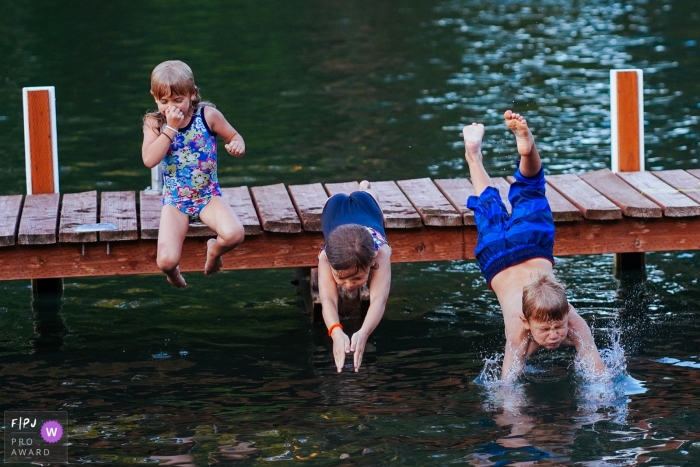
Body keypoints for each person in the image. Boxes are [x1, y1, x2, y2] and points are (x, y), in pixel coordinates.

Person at [463, 110, 606, 381]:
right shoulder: (536, 329)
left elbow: (509, 382)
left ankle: (476, 154)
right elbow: (596, 369)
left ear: (566, 312)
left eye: (558, 327)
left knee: (528, 189)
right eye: (545, 330)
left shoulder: (550, 322)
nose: (553, 335)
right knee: (492, 203)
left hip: (526, 244)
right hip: (498, 255)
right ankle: (517, 151)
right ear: (525, 322)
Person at [142, 60, 246, 288]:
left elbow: (235, 136)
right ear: (154, 97)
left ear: (192, 94)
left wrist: (237, 146)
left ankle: (214, 251)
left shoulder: (208, 116)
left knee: (235, 234)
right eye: (163, 101)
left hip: (208, 196)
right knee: (166, 261)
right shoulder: (155, 123)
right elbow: (149, 159)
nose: (172, 107)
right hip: (175, 201)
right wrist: (170, 128)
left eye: (178, 100)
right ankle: (173, 274)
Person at [318, 181, 392, 373]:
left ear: (371, 262)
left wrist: (364, 332)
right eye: (341, 279)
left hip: (367, 206)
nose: (348, 285)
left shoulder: (380, 253)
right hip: (334, 208)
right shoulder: (326, 256)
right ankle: (359, 189)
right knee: (334, 199)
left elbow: (379, 300)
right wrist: (335, 331)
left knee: (370, 196)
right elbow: (327, 300)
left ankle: (365, 189)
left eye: (357, 279)